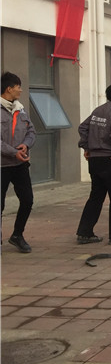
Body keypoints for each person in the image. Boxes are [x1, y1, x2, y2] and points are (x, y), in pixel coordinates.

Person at [76, 82, 111, 245]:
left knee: (96, 197)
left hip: (95, 160)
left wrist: (86, 147)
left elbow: (83, 128)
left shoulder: (99, 110)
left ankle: (85, 233)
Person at [1, 72, 36, 253]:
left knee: (27, 200)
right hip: (2, 165)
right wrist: (14, 152)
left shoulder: (20, 109)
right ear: (9, 89)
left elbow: (31, 131)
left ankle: (17, 235)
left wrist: (26, 145)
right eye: (18, 87)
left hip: (19, 165)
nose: (21, 90)